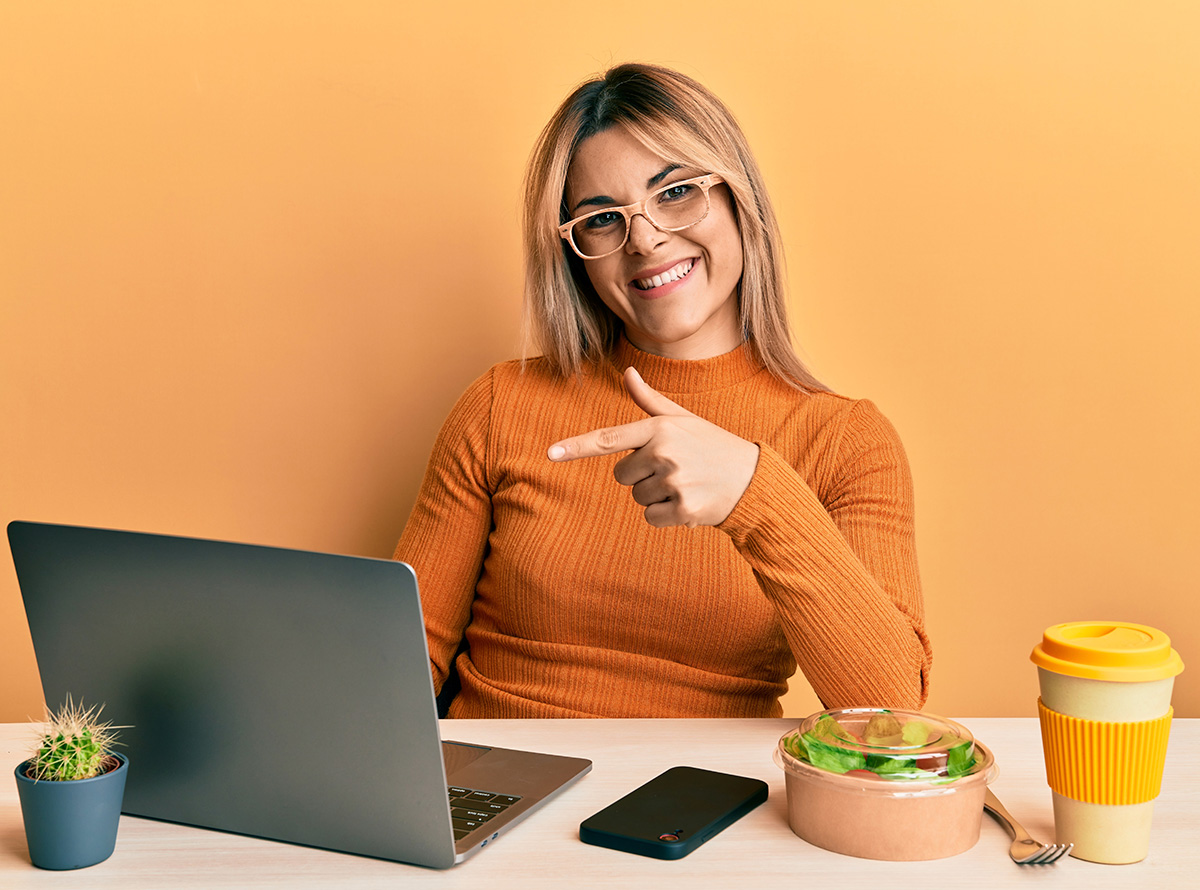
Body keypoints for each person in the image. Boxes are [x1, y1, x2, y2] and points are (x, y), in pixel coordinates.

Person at [394, 62, 931, 718]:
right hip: (497, 789)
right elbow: (399, 665)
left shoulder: (845, 440)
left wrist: (755, 494)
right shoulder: (502, 403)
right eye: (600, 220)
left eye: (675, 191)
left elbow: (895, 717)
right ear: (573, 253)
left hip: (701, 808)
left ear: (739, 199)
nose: (644, 239)